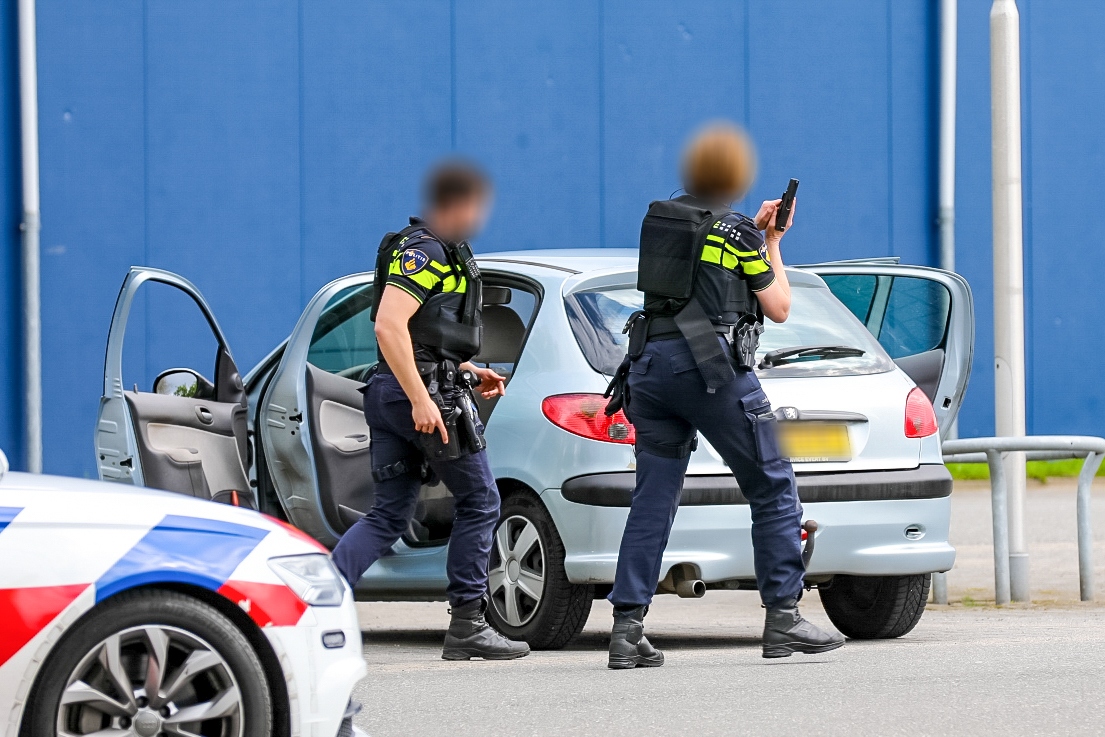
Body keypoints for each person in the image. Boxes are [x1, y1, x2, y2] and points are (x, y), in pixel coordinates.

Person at [604, 123, 844, 669]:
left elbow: (689, 276)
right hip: (708, 368)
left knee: (654, 498)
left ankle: (626, 628)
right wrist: (772, 242)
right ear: (736, 176)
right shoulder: (740, 233)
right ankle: (784, 616)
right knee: (772, 481)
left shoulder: (661, 217)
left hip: (648, 369)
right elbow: (778, 305)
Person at [332, 160, 529, 661]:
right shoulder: (424, 251)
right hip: (418, 397)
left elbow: (422, 333)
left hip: (404, 390)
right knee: (481, 499)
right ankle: (467, 624)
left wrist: (466, 368)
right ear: (457, 205)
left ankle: (316, 609)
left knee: (389, 515)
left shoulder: (435, 250)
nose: (481, 218)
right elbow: (388, 326)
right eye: (478, 207)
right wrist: (423, 397)